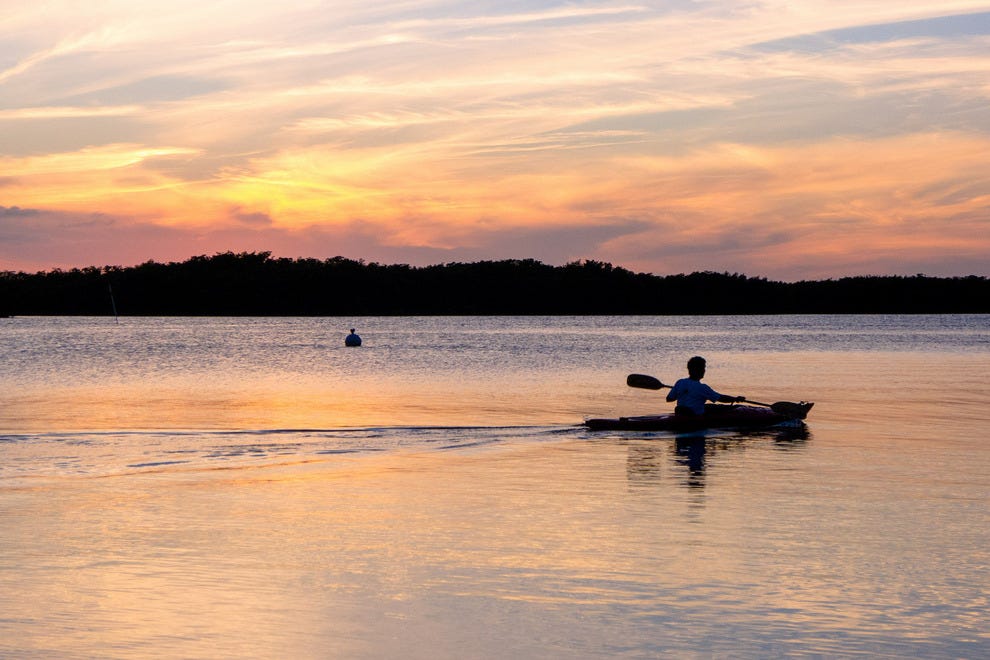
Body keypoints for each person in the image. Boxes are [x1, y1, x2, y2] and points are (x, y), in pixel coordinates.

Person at [666, 356, 745, 416]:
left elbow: (669, 399)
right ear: (700, 370)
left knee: (709, 406)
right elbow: (720, 398)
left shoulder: (680, 382)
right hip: (693, 416)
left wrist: (681, 392)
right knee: (723, 408)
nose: (704, 370)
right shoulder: (703, 388)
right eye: (703, 368)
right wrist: (735, 399)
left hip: (681, 413)